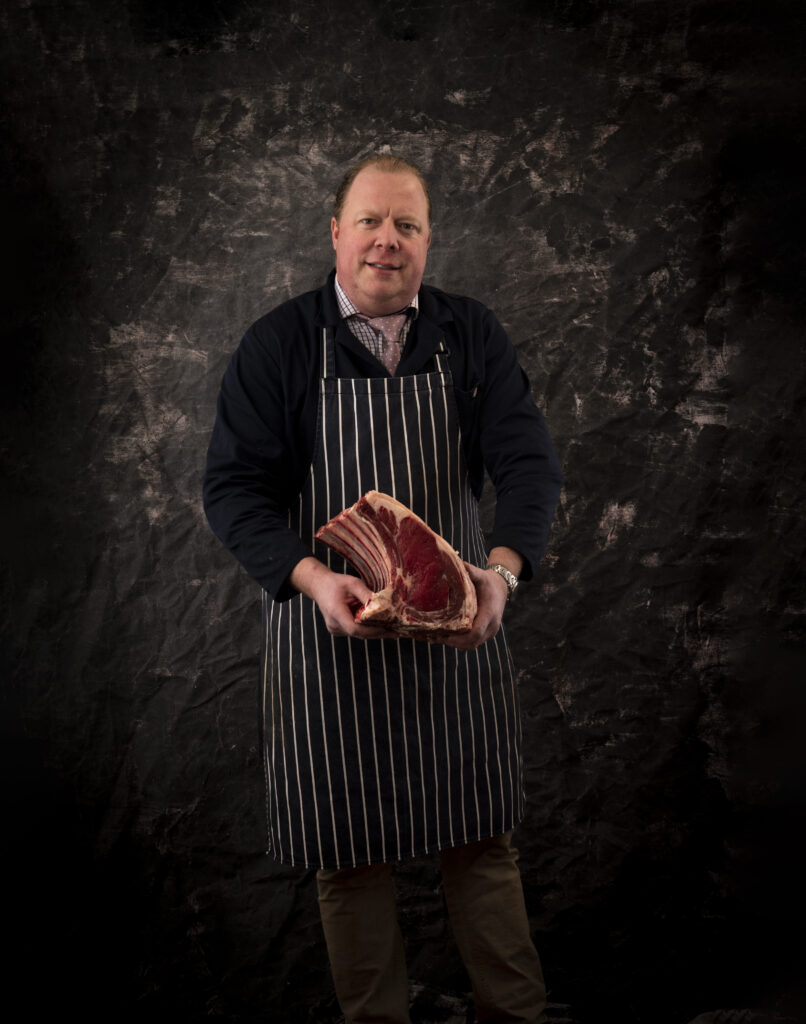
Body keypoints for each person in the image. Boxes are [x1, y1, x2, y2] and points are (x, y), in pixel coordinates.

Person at [203, 154, 563, 1024]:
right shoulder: (278, 345)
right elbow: (234, 491)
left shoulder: (470, 334)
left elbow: (527, 465)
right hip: (330, 637)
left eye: (406, 225)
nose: (386, 241)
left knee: (480, 840)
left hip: (460, 628)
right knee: (348, 856)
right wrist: (315, 579)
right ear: (335, 233)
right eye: (369, 221)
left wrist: (501, 576)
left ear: (429, 243)